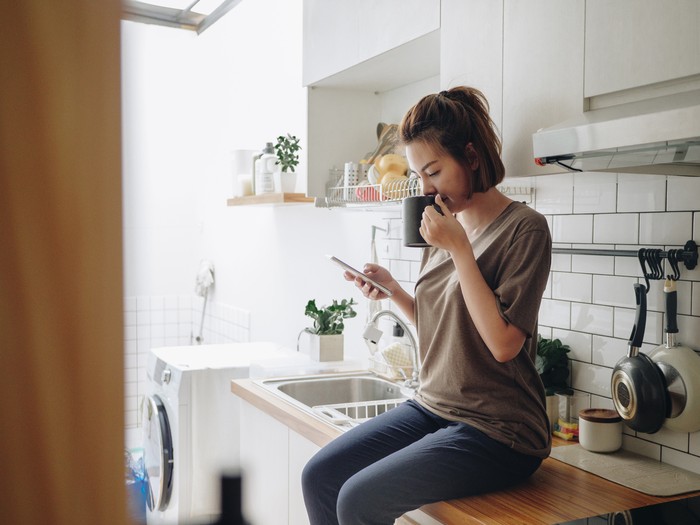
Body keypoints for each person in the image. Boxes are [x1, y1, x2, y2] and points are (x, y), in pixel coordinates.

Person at [302, 86, 552, 525]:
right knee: (319, 477)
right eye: (419, 175)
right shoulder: (441, 227)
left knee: (357, 500)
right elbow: (442, 328)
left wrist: (459, 249)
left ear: (471, 157)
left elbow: (503, 344)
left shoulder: (524, 230)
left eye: (433, 171)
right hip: (434, 406)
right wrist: (394, 291)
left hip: (500, 430)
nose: (426, 187)